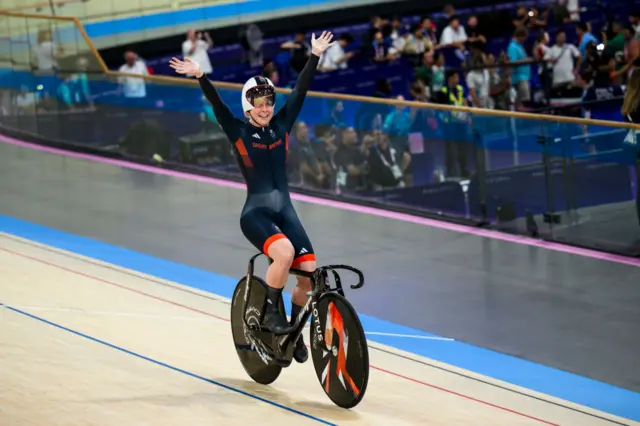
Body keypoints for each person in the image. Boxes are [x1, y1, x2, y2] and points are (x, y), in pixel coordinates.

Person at [169, 31, 336, 364]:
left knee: (310, 272)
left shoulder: (281, 125)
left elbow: (300, 91)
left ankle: (292, 330)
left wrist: (315, 55)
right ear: (248, 108)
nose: (265, 108)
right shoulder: (238, 131)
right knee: (284, 252)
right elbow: (217, 106)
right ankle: (270, 313)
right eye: (258, 104)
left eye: (269, 102)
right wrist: (201, 76)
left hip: (285, 211)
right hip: (256, 214)